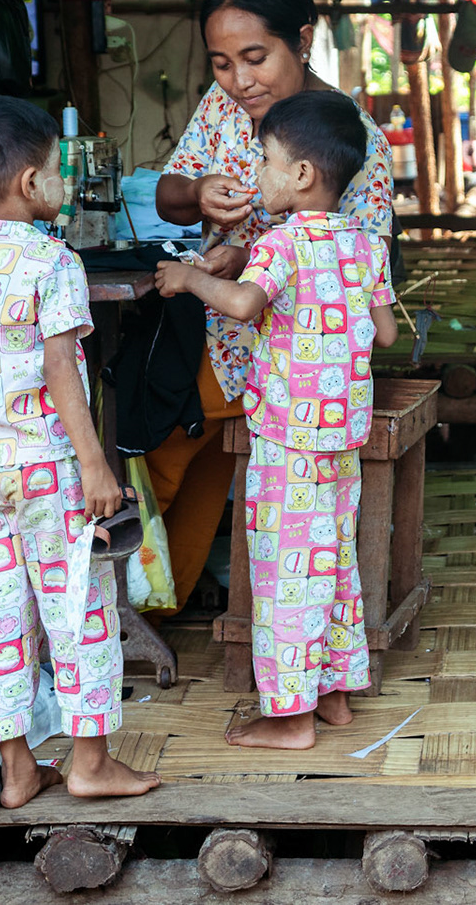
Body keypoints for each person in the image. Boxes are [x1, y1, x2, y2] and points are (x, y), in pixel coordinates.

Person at [147, 0, 394, 613]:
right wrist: (198, 194)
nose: (238, 80)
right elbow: (168, 194)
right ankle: (146, 612)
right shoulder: (223, 110)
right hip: (221, 336)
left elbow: (361, 277)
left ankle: (137, 614)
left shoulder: (352, 138)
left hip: (295, 367)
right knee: (184, 463)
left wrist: (246, 261)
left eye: (254, 57)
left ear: (302, 40)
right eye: (222, 63)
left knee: (168, 451)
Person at [156, 91, 399, 749]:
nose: (257, 173)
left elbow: (240, 304)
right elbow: (384, 334)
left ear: (301, 176)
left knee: (286, 571)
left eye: (264, 161)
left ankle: (290, 716)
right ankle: (337, 696)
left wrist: (187, 278)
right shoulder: (364, 247)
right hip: (342, 438)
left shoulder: (279, 244)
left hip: (288, 439)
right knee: (333, 562)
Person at [0, 96, 161, 805]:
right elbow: (62, 370)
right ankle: (90, 763)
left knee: (2, 615)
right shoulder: (52, 261)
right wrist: (96, 467)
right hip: (47, 467)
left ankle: (16, 769)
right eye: (60, 171)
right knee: (78, 608)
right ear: (33, 185)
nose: (65, 183)